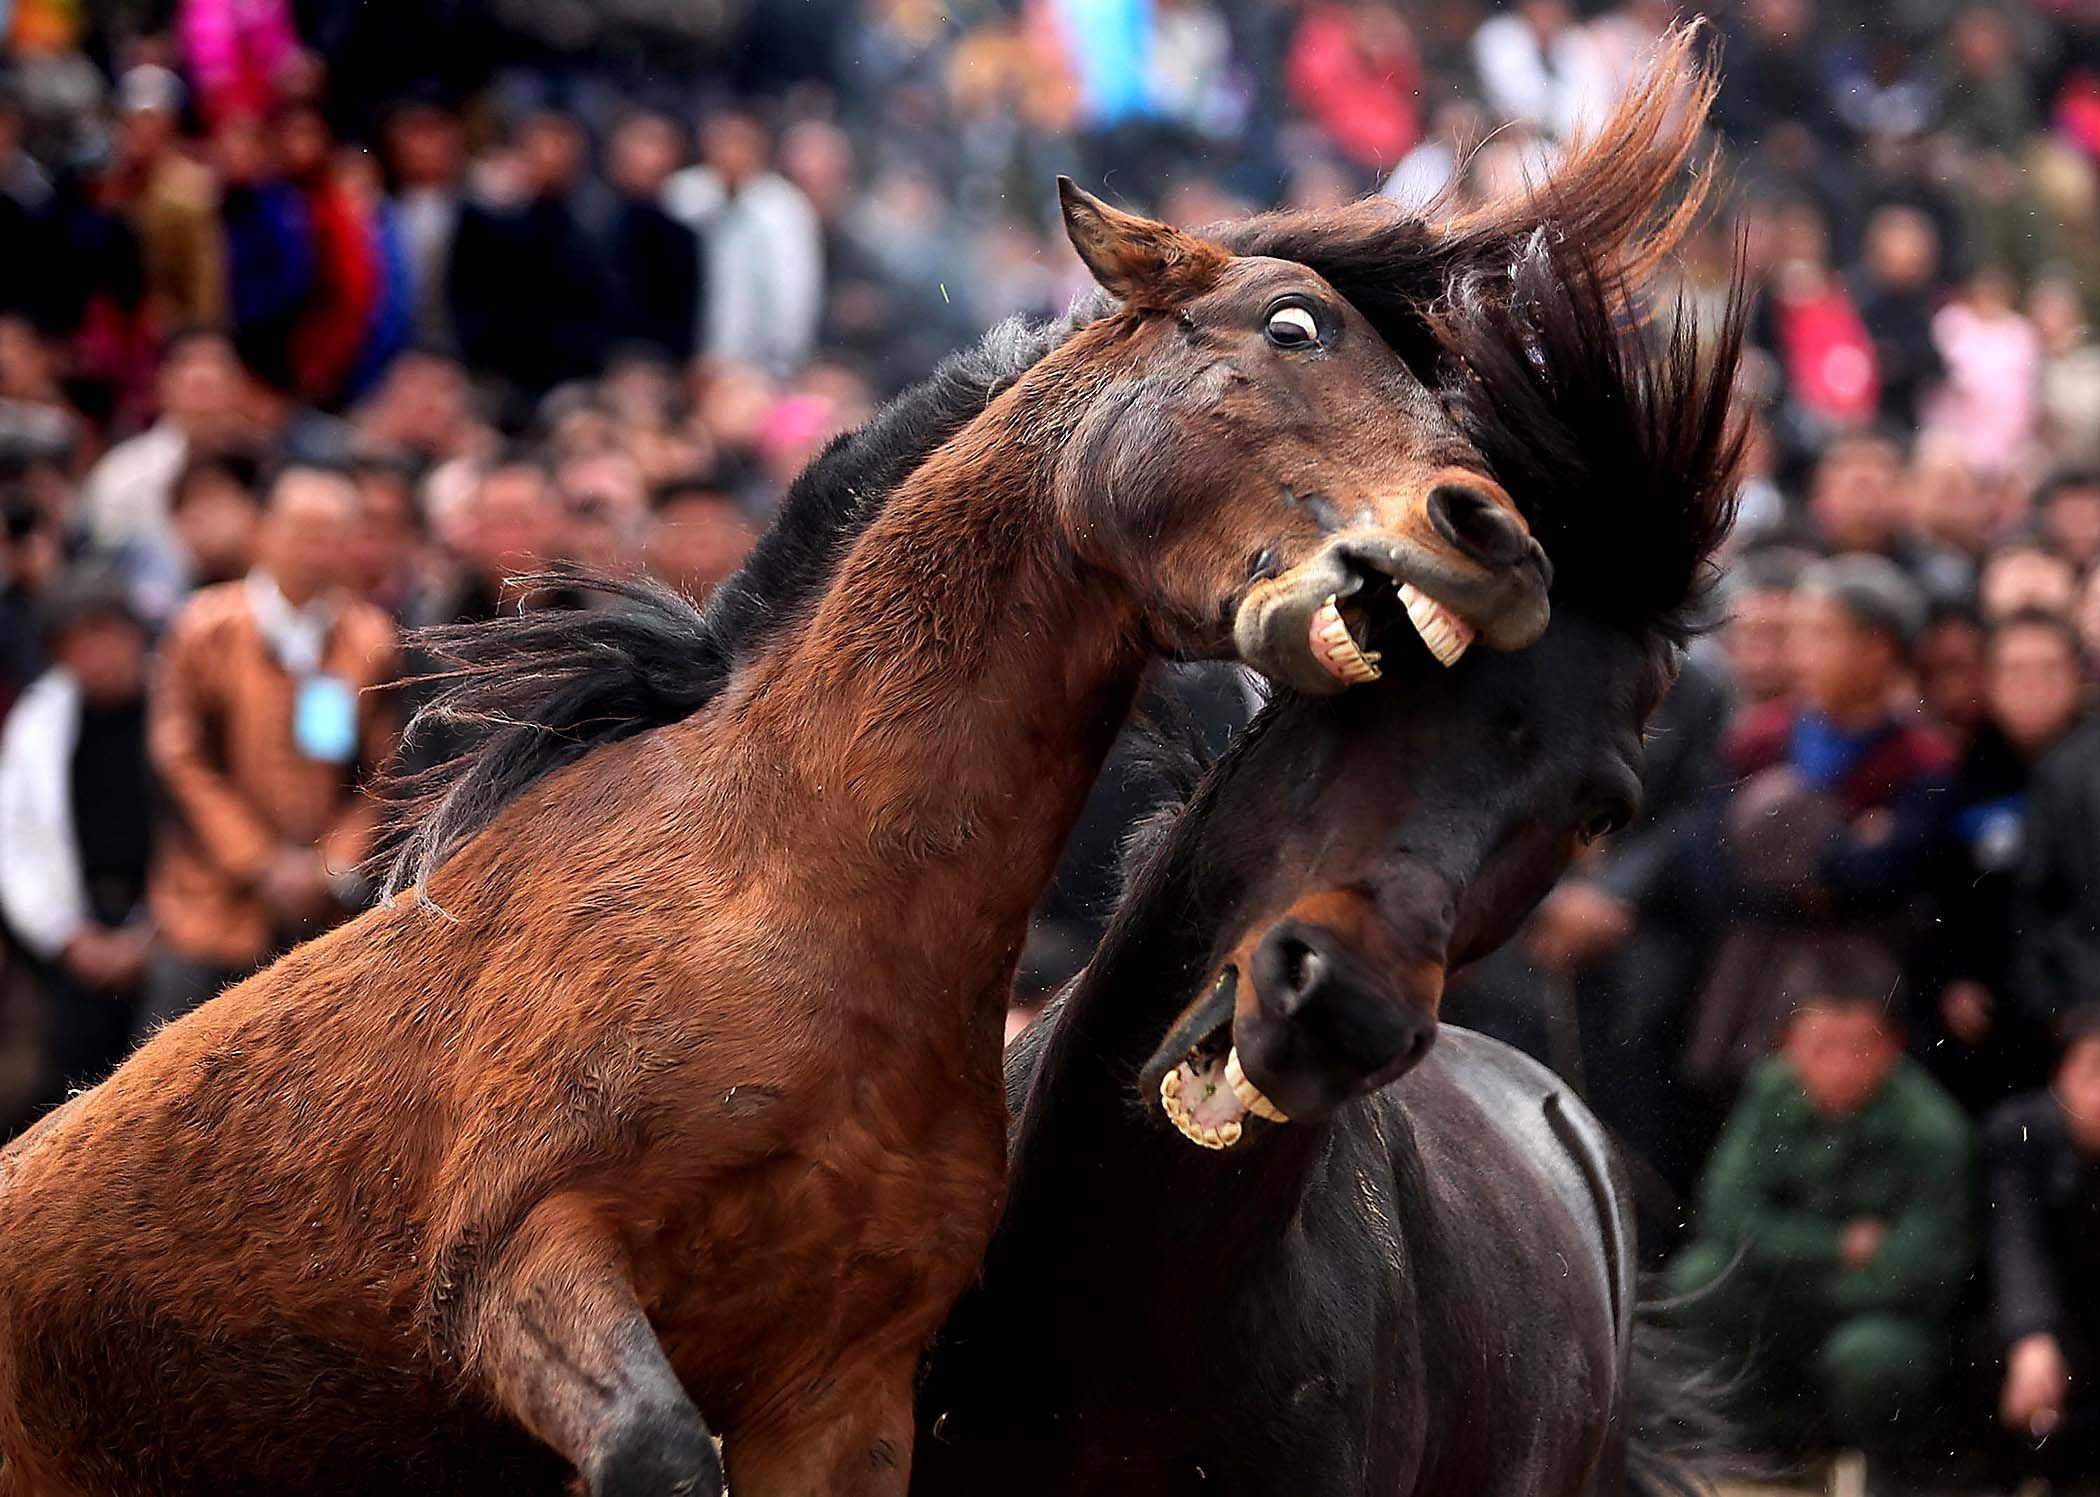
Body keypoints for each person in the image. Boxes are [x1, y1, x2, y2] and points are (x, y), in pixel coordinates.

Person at [1668, 937, 1975, 1464]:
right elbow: (1723, 1212)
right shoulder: (1769, 1093)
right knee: (1698, 1279)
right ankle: (1747, 1455)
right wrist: (1836, 1247)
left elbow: (1924, 1272)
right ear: (1787, 1044)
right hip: (1813, 1288)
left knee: (1874, 1356)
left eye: (1857, 1047)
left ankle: (1885, 1466)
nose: (1837, 1066)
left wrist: (1791, 1262)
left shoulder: (1933, 1129)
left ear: (1893, 1046)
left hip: (1876, 1315)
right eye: (1818, 1046)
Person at [143, 463, 398, 1033]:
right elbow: (179, 757)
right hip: (210, 903)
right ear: (263, 532)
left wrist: (332, 863)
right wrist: (259, 863)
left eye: (332, 535)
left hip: (323, 905)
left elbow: (384, 770)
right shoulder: (205, 626)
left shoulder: (369, 637)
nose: (316, 550)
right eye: (303, 532)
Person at [1686, 555, 1955, 1093]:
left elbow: (1883, 876)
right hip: (1751, 976)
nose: (1800, 652)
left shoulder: (1922, 759)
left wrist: (1778, 855)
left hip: (1863, 986)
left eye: (1822, 634)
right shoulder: (1759, 739)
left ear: (1877, 648)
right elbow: (1709, 860)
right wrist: (1838, 849)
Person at [1914, 611, 2089, 1111]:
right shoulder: (1965, 774)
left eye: (2048, 671)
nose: (2032, 688)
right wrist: (1955, 974)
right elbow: (1944, 892)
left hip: (2075, 1009)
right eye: (2015, 672)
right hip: (1989, 1020)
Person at [0, 570, 155, 1100]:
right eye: (77, 642)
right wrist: (66, 935)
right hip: (77, 936)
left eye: (105, 633)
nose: (97, 653)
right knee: (75, 1093)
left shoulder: (173, 707)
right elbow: (14, 839)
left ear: (134, 633)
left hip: (170, 929)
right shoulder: (40, 720)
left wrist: (155, 931)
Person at [1981, 1005, 2100, 1481]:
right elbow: (2015, 1241)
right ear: (2062, 1073)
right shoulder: (2018, 1132)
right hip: (2038, 1324)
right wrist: (2031, 1335)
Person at [664, 111, 823, 378]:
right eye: (722, 142)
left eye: (740, 143)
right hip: (681, 358)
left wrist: (780, 363)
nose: (730, 153)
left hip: (754, 367)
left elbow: (793, 296)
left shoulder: (784, 210)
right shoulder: (681, 197)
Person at [74, 327, 246, 550]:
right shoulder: (125, 473)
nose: (204, 398)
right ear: (163, 385)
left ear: (238, 387)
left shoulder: (265, 463)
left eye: (212, 383)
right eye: (196, 386)